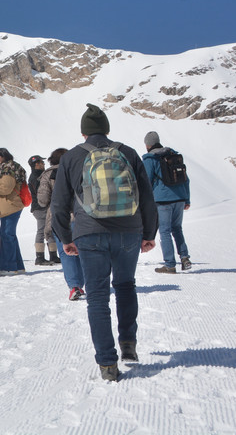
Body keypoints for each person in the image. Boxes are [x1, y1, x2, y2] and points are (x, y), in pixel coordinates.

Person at [51, 104, 157, 381]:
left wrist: (65, 238)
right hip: (129, 231)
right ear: (107, 129)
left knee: (97, 297)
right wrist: (150, 233)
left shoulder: (72, 157)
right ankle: (128, 344)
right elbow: (146, 197)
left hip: (89, 232)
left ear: (83, 132)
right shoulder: (129, 152)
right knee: (125, 285)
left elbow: (59, 203)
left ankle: (107, 364)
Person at [38, 147, 85, 300]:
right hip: (81, 216)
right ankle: (89, 282)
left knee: (66, 252)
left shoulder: (48, 174)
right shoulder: (78, 169)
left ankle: (75, 286)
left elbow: (43, 200)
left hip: (59, 217)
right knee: (84, 251)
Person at [143, 131, 192, 274]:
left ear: (148, 145)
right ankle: (184, 258)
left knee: (164, 231)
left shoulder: (151, 159)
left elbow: (146, 182)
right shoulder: (173, 156)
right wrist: (186, 199)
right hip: (179, 198)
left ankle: (170, 265)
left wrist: (145, 203)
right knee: (177, 228)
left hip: (163, 200)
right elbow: (186, 179)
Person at [0, 148, 28, 275]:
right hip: (13, 204)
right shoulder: (12, 167)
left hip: (11, 205)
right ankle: (18, 266)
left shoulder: (7, 169)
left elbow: (5, 188)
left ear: (4, 156)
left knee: (6, 235)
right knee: (10, 235)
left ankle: (9, 268)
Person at [28, 155, 58, 266]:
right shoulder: (36, 177)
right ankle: (40, 257)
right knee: (42, 230)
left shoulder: (38, 176)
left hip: (40, 207)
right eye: (41, 162)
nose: (43, 164)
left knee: (49, 229)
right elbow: (41, 194)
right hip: (40, 208)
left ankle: (53, 255)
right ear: (35, 164)